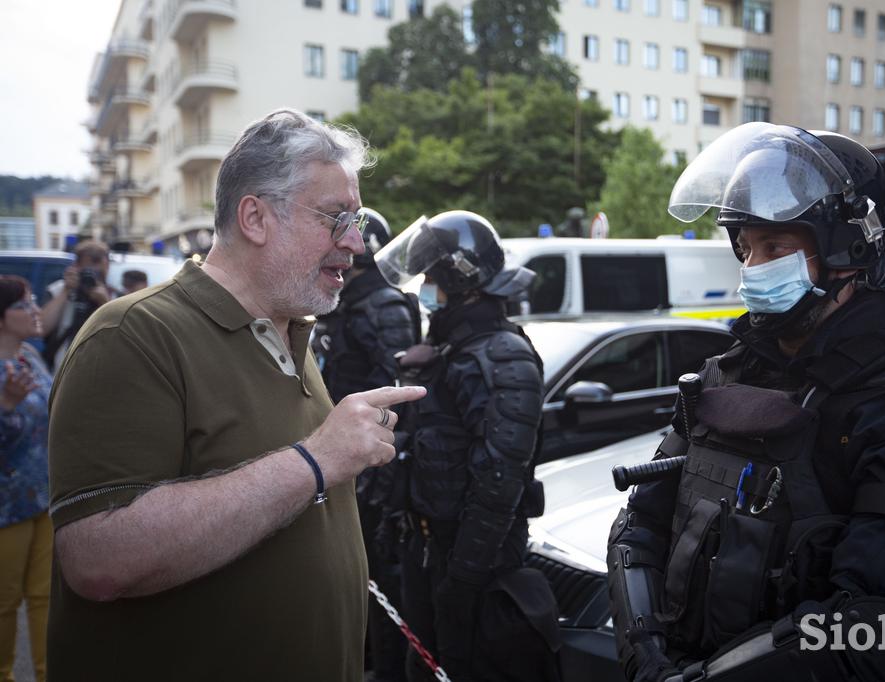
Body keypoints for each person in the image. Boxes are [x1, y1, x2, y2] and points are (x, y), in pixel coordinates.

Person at [606, 122, 885, 682]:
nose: (754, 267)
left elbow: (884, 628)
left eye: (776, 246)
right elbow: (638, 526)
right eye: (746, 248)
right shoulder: (721, 376)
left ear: (848, 250)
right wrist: (644, 652)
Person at [46, 108, 425, 682]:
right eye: (335, 218)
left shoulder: (289, 328)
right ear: (255, 217)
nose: (355, 242)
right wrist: (316, 461)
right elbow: (99, 559)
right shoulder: (132, 335)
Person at [376, 210, 561, 681]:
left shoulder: (503, 356)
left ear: (464, 282)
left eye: (432, 278)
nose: (425, 289)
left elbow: (499, 483)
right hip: (429, 548)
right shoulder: (453, 347)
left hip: (475, 563)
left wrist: (463, 580)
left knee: (464, 666)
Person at [316, 207, 419, 682]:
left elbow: (396, 397)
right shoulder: (346, 301)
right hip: (345, 458)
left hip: (373, 467)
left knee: (380, 578)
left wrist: (380, 476)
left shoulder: (381, 304)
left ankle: (385, 667)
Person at [0, 276, 53, 682]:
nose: (36, 311)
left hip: (43, 498)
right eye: (25, 305)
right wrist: (6, 408)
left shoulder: (31, 358)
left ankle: (46, 672)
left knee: (45, 598)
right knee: (4, 603)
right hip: (6, 507)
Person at [39, 240, 117, 369]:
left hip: (101, 368)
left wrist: (105, 303)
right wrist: (66, 291)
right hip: (62, 370)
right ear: (76, 266)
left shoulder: (115, 297)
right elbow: (42, 328)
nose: (93, 278)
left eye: (98, 273)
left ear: (107, 267)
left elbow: (122, 336)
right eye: (88, 271)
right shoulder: (58, 290)